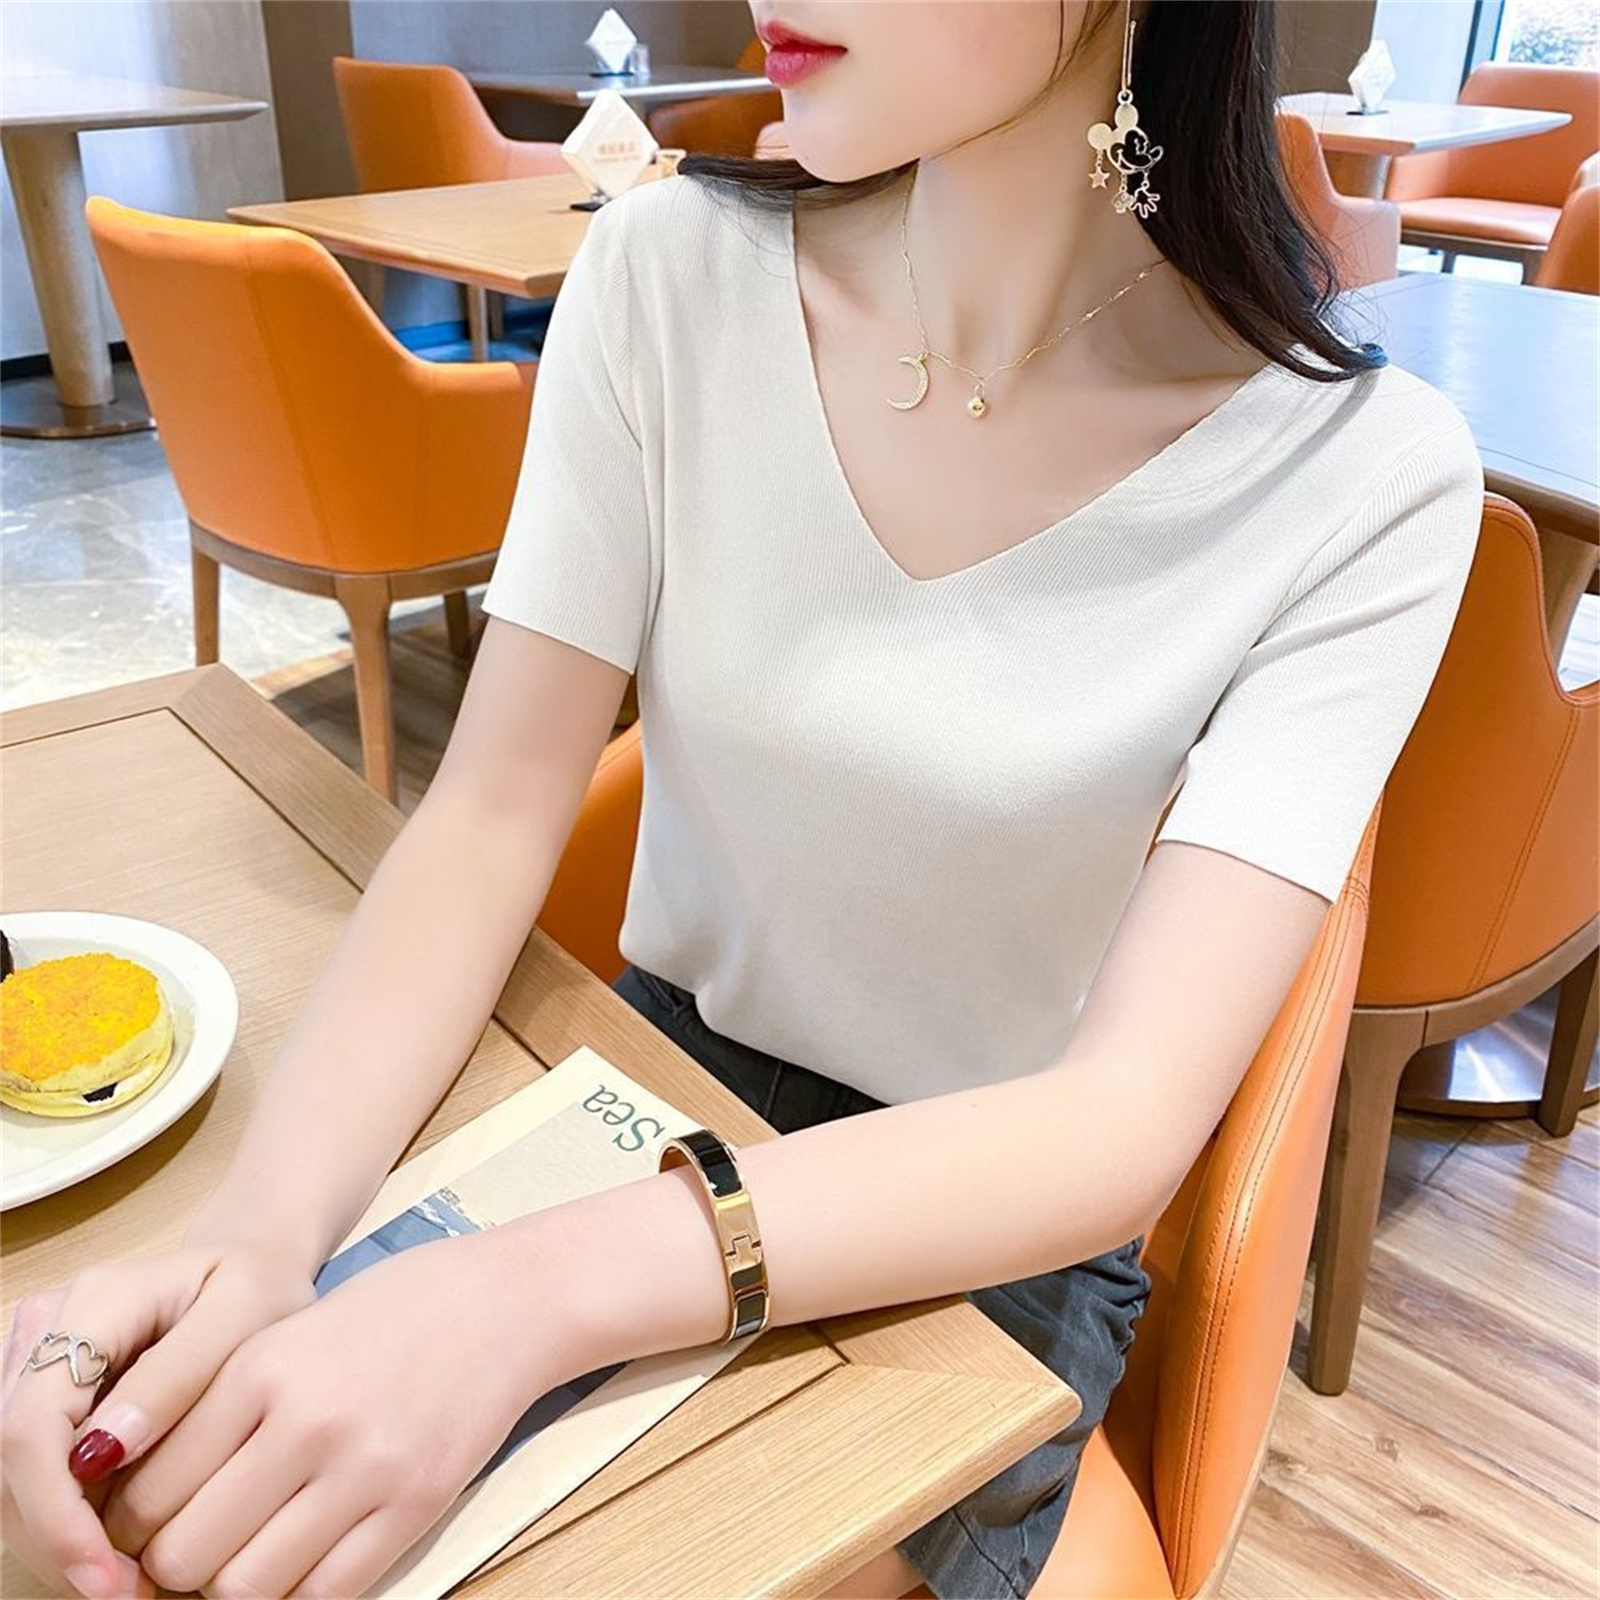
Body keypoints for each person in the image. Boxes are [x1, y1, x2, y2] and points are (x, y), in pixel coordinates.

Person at [1, 2, 1486, 1597]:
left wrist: (522, 1295)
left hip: (974, 1235)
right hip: (647, 1089)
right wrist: (257, 1235)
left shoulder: (1362, 477)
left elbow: (1119, 1121)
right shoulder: (668, 277)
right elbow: (491, 812)